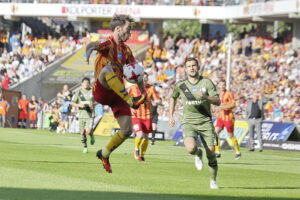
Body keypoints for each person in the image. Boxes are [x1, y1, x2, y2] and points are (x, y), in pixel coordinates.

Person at [85, 14, 146, 173]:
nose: (130, 33)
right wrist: (88, 52)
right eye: (128, 29)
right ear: (118, 29)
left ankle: (104, 154)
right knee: (107, 69)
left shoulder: (126, 50)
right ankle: (132, 101)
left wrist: (144, 94)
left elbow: (137, 72)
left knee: (127, 130)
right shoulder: (107, 42)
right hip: (102, 91)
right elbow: (92, 44)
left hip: (117, 94)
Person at [169, 57, 221, 189]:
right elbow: (173, 97)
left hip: (205, 122)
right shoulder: (181, 85)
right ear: (185, 69)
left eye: (194, 65)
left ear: (198, 67)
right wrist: (171, 115)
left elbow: (217, 101)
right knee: (191, 148)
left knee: (211, 154)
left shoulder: (207, 83)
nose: (192, 68)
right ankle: (198, 153)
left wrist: (206, 97)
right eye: (189, 66)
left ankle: (213, 180)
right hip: (188, 122)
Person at [129, 73, 160, 161]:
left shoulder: (151, 88)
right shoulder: (133, 88)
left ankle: (142, 155)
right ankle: (136, 149)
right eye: (143, 78)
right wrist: (129, 108)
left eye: (146, 79)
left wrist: (157, 102)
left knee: (146, 137)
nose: (144, 80)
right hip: (136, 116)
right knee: (140, 134)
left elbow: (157, 99)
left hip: (147, 116)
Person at [214, 80, 241, 160]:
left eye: (223, 85)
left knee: (231, 136)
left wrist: (224, 107)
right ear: (218, 85)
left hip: (228, 117)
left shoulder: (228, 93)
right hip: (221, 117)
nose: (222, 86)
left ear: (225, 85)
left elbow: (233, 104)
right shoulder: (219, 93)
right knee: (215, 132)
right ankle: (217, 151)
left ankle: (237, 152)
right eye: (220, 85)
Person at [71, 77, 96, 154]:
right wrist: (79, 105)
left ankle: (91, 136)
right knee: (82, 133)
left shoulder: (93, 91)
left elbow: (99, 100)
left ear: (89, 84)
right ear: (82, 84)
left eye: (87, 83)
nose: (86, 84)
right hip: (81, 115)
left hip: (90, 114)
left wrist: (93, 104)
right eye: (84, 83)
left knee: (88, 131)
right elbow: (72, 103)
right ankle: (85, 147)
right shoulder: (78, 92)